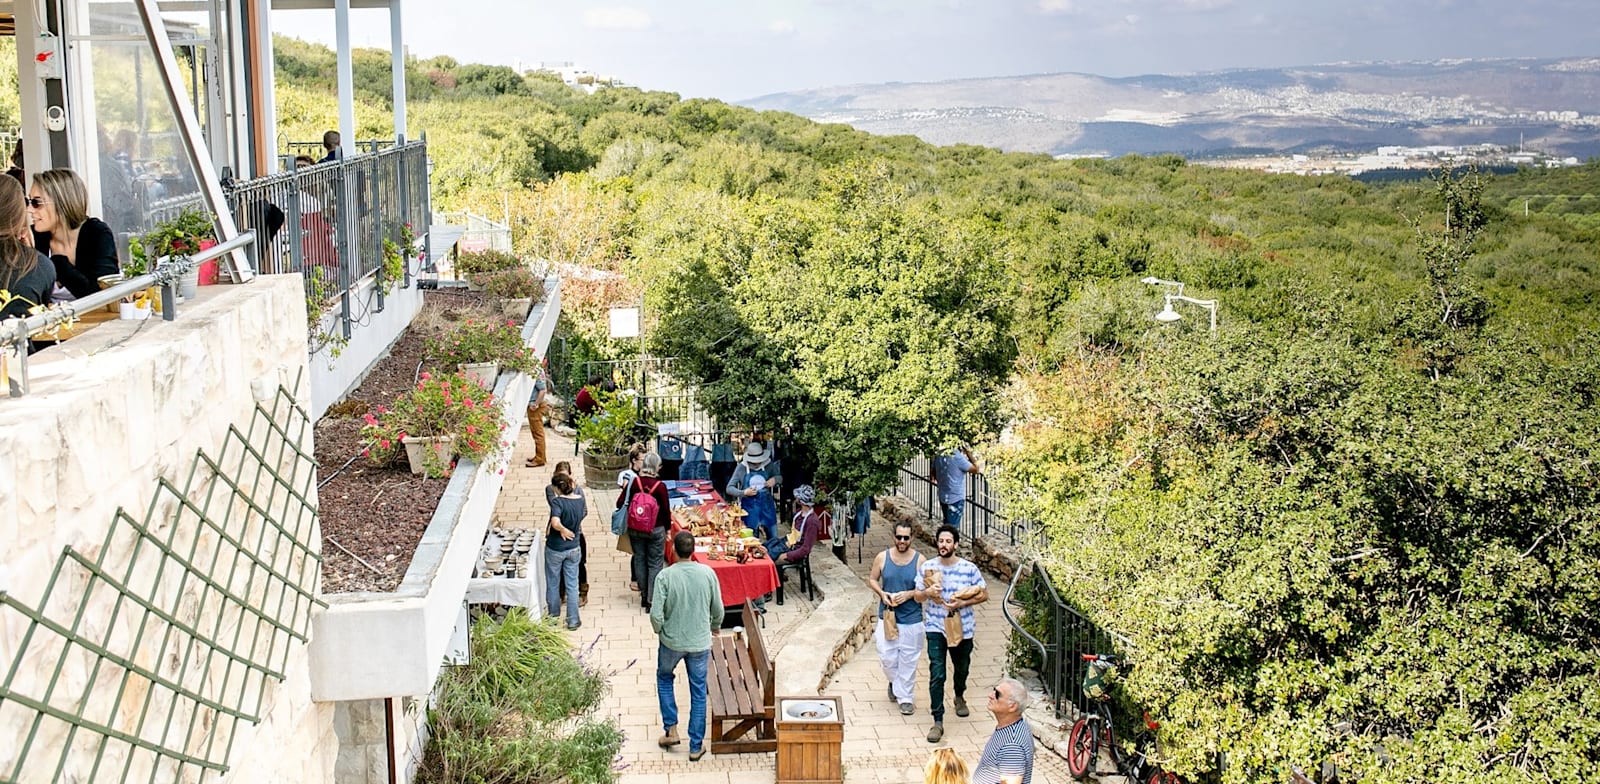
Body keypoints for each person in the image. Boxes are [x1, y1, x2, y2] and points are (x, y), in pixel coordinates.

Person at [650, 531, 724, 763]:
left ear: (672, 549)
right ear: (693, 551)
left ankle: (671, 728)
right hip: (699, 641)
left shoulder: (665, 576)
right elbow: (718, 608)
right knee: (698, 691)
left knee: (664, 677)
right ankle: (695, 745)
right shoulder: (707, 573)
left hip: (671, 641)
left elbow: (655, 614)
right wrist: (714, 626)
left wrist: (660, 630)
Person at [918, 524, 989, 743]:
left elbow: (984, 594)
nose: (944, 545)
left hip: (962, 628)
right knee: (937, 672)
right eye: (941, 541)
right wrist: (927, 592)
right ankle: (937, 720)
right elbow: (918, 597)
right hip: (935, 626)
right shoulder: (928, 566)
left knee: (962, 668)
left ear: (955, 544)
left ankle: (959, 694)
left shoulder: (968, 568)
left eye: (948, 541)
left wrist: (962, 601)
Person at [29, 169, 119, 300]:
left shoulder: (96, 233)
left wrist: (58, 265)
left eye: (36, 203)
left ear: (62, 203)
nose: (29, 210)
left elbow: (104, 294)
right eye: (29, 202)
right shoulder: (34, 237)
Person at [869, 521, 926, 716]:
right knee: (887, 656)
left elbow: (925, 590)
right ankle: (894, 682)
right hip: (888, 616)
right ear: (893, 537)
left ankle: (906, 698)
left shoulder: (920, 561)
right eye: (899, 537)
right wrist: (882, 593)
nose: (902, 541)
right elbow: (872, 579)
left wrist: (909, 594)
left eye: (906, 538)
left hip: (912, 618)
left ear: (912, 538)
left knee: (909, 659)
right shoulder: (882, 557)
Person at [0, 177, 56, 326]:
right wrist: (29, 254)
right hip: (20, 347)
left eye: (37, 203)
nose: (30, 210)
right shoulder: (38, 265)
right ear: (18, 213)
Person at [621, 451, 672, 611]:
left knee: (639, 559)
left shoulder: (635, 482)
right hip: (656, 529)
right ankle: (651, 600)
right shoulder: (660, 486)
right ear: (657, 467)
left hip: (636, 527)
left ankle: (643, 595)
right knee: (655, 562)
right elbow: (665, 510)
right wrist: (668, 529)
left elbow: (620, 502)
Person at [544, 471, 587, 630]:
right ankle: (573, 620)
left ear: (557, 488)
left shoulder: (557, 502)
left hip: (555, 548)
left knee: (553, 583)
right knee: (572, 584)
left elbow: (555, 522)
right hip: (574, 547)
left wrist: (562, 529)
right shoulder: (580, 500)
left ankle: (553, 617)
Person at [972, 678, 1035, 784]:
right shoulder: (1016, 724)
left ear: (1012, 706)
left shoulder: (1012, 746)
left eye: (997, 694)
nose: (990, 695)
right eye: (993, 690)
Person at [727, 440, 780, 541]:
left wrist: (775, 480)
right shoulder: (741, 468)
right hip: (750, 510)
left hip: (767, 508)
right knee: (751, 541)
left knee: (773, 539)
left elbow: (780, 477)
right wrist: (743, 493)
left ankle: (773, 556)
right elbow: (729, 488)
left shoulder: (769, 465)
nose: (756, 463)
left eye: (759, 460)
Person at [766, 484, 820, 565]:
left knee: (768, 559)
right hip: (787, 542)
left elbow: (805, 549)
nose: (795, 498)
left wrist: (788, 555)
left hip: (794, 549)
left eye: (797, 497)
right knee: (765, 547)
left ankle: (777, 576)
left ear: (801, 501)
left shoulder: (812, 521)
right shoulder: (799, 513)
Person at [930, 447, 980, 530]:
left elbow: (933, 473)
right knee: (951, 530)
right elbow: (976, 469)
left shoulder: (940, 454)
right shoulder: (957, 457)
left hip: (943, 495)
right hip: (956, 497)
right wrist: (968, 453)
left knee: (947, 525)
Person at [525, 362, 551, 468]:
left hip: (535, 407)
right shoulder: (538, 369)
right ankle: (539, 456)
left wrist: (535, 404)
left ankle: (540, 459)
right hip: (534, 405)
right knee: (536, 432)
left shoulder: (535, 370)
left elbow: (543, 390)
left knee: (538, 434)